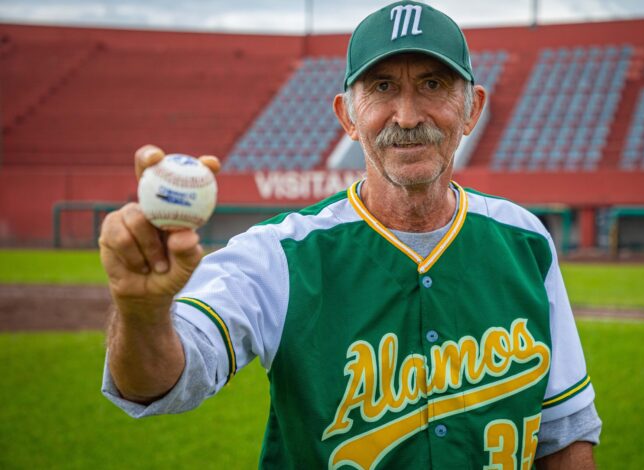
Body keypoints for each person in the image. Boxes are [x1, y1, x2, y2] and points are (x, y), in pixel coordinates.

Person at [100, 1, 601, 468]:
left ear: (472, 109)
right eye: (382, 87)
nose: (407, 116)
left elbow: (565, 434)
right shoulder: (279, 254)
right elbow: (163, 382)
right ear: (347, 116)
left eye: (432, 85)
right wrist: (141, 312)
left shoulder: (525, 241)